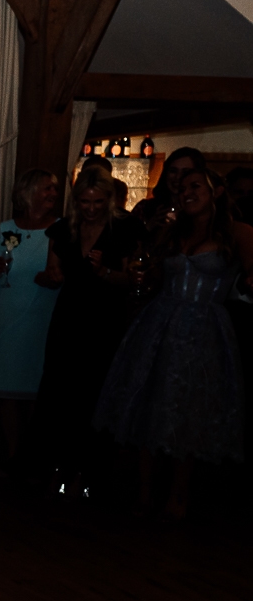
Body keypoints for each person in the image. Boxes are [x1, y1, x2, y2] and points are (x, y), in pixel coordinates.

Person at [95, 168, 253, 520]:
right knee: (150, 403)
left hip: (205, 327)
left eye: (195, 186)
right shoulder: (171, 231)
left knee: (190, 409)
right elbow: (153, 279)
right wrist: (140, 276)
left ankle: (179, 495)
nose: (185, 193)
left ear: (217, 191)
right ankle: (145, 492)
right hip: (160, 322)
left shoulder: (237, 232)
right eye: (181, 189)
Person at [34, 165, 144, 499]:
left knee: (95, 395)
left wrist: (104, 271)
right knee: (60, 392)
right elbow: (50, 272)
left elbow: (133, 280)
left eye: (98, 202)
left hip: (104, 320)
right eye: (85, 202)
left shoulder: (124, 228)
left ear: (109, 199)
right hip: (69, 318)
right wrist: (51, 277)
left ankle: (91, 471)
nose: (91, 208)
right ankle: (57, 466)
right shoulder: (63, 229)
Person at [0, 169, 60, 473]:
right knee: (7, 391)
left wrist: (52, 279)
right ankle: (14, 456)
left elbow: (65, 276)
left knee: (38, 391)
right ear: (27, 192)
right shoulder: (6, 229)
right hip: (7, 318)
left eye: (54, 189)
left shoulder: (60, 230)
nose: (53, 194)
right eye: (47, 188)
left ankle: (35, 458)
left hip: (42, 319)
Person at [131, 147, 204, 233]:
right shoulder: (144, 207)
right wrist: (149, 226)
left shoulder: (202, 211)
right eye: (173, 171)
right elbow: (128, 238)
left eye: (185, 172)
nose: (178, 177)